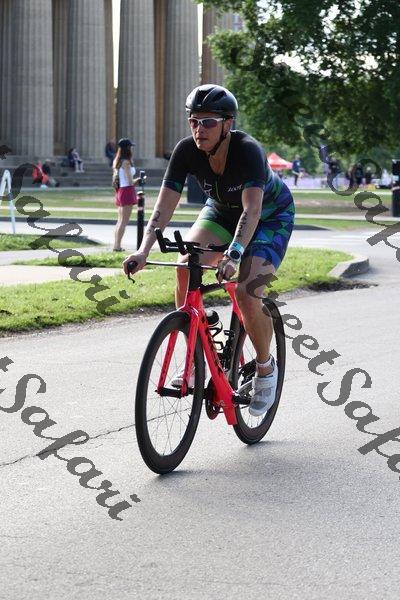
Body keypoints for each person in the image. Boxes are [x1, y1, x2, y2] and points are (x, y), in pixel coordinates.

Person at [123, 84, 295, 417]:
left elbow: (252, 211)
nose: (199, 129)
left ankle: (265, 368)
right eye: (193, 121)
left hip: (269, 217)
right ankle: (194, 356)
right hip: (220, 211)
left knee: (247, 291)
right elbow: (164, 206)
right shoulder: (186, 150)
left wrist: (233, 254)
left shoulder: (248, 151)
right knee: (185, 264)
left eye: (208, 122)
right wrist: (143, 250)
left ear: (228, 124)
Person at [112, 138, 140, 252]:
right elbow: (130, 181)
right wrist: (139, 180)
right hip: (127, 190)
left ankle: (116, 245)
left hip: (120, 191)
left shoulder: (117, 161)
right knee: (124, 221)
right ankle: (117, 246)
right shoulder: (126, 162)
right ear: (127, 148)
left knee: (120, 221)